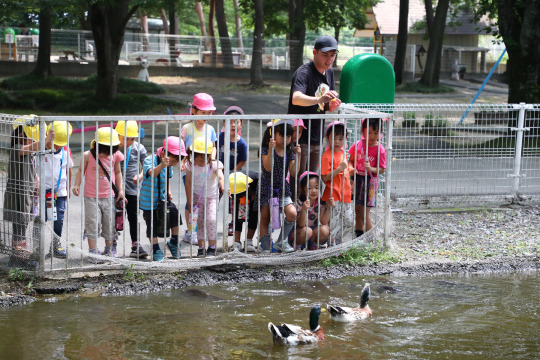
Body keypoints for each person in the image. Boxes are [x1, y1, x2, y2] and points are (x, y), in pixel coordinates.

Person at [288, 35, 342, 176]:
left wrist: (332, 104)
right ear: (314, 52)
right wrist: (320, 99)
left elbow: (327, 106)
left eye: (332, 55)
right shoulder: (303, 72)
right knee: (297, 178)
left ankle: (308, 199)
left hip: (317, 135)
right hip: (300, 136)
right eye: (325, 55)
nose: (329, 59)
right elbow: (296, 98)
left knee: (311, 178)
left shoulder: (330, 72)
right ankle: (295, 198)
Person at [72, 127, 124, 258]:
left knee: (110, 224)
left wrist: (121, 190)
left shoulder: (116, 155)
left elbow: (118, 172)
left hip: (109, 196)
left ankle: (109, 248)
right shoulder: (87, 155)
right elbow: (79, 171)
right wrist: (76, 185)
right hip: (91, 197)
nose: (105, 156)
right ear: (96, 146)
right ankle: (93, 251)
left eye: (108, 153)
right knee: (92, 224)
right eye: (102, 152)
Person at [4, 118, 44, 269]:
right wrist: (46, 139)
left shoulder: (28, 151)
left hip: (26, 195)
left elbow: (32, 169)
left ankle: (18, 255)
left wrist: (37, 180)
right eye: (31, 135)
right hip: (17, 196)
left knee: (23, 224)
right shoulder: (17, 149)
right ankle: (18, 258)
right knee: (19, 227)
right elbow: (34, 146)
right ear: (21, 135)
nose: (34, 139)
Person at [258, 119, 301, 253]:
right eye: (282, 135)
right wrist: (271, 149)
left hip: (282, 187)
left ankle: (281, 241)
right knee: (265, 217)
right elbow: (268, 167)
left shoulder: (289, 152)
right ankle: (265, 245)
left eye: (288, 136)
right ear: (273, 135)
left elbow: (294, 172)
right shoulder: (265, 149)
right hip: (267, 186)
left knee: (292, 213)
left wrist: (298, 156)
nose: (286, 139)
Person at [181, 93, 218, 244]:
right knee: (191, 200)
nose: (206, 116)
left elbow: (214, 147)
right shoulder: (187, 128)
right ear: (194, 111)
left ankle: (199, 230)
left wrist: (213, 159)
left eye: (209, 113)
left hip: (206, 169)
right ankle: (191, 231)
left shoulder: (210, 129)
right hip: (191, 168)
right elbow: (182, 147)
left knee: (205, 198)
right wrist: (183, 160)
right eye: (203, 112)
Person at [139, 136, 182, 261]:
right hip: (149, 201)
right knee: (152, 224)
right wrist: (162, 165)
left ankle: (173, 241)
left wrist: (168, 191)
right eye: (173, 160)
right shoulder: (149, 160)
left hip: (163, 199)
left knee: (174, 214)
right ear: (163, 153)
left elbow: (167, 177)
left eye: (176, 162)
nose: (173, 164)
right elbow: (152, 173)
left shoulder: (169, 164)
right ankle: (156, 248)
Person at [184, 138, 224, 257]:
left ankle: (212, 246)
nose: (200, 162)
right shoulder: (190, 165)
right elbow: (188, 183)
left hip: (211, 197)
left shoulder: (214, 164)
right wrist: (190, 201)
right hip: (197, 198)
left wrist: (223, 187)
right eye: (198, 159)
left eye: (203, 159)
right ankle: (201, 248)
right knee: (199, 222)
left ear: (209, 155)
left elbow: (220, 177)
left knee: (211, 220)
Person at [115, 120, 148, 259]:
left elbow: (146, 165)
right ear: (118, 135)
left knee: (133, 217)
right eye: (125, 138)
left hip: (133, 189)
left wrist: (140, 176)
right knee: (113, 217)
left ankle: (136, 244)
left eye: (132, 138)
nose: (129, 141)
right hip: (115, 189)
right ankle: (111, 244)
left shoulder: (139, 148)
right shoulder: (113, 147)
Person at [348, 118, 386, 237]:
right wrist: (350, 169)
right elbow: (350, 161)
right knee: (358, 211)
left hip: (370, 183)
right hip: (357, 180)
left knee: (365, 213)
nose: (372, 136)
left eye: (375, 133)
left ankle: (372, 239)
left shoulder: (380, 149)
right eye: (368, 132)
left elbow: (381, 169)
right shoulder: (358, 145)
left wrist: (371, 169)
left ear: (380, 132)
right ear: (362, 131)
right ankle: (358, 236)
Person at [43, 121, 74, 259]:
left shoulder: (66, 152)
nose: (56, 146)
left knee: (59, 218)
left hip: (59, 191)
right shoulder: (41, 148)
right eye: (55, 143)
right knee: (40, 218)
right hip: (42, 190)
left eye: (60, 144)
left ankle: (56, 244)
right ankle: (38, 247)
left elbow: (69, 170)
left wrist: (67, 189)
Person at [320, 121, 353, 244]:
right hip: (332, 195)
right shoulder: (326, 156)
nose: (337, 142)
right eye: (334, 138)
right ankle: (332, 247)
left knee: (349, 221)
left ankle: (337, 241)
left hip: (346, 194)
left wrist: (350, 171)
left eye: (341, 138)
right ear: (327, 138)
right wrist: (339, 169)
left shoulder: (344, 153)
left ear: (346, 138)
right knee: (333, 223)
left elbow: (345, 171)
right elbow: (324, 178)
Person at [218, 106, 248, 236]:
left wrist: (233, 171)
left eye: (237, 122)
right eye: (230, 122)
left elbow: (243, 160)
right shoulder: (219, 138)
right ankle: (210, 220)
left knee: (235, 201)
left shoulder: (242, 143)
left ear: (241, 124)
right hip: (217, 173)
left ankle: (233, 223)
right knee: (214, 199)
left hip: (233, 175)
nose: (233, 125)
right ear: (224, 123)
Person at [291, 171, 333, 250]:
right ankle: (297, 246)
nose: (314, 191)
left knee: (325, 229)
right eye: (309, 188)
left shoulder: (321, 202)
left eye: (316, 187)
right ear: (302, 189)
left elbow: (324, 222)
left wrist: (329, 208)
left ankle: (313, 245)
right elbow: (301, 224)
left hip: (312, 234)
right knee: (307, 231)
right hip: (300, 234)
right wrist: (303, 209)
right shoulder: (298, 203)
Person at [228, 171, 259, 253]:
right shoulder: (230, 180)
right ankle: (237, 242)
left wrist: (254, 195)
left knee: (254, 214)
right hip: (238, 191)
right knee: (238, 216)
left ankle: (249, 242)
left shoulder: (256, 178)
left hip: (253, 193)